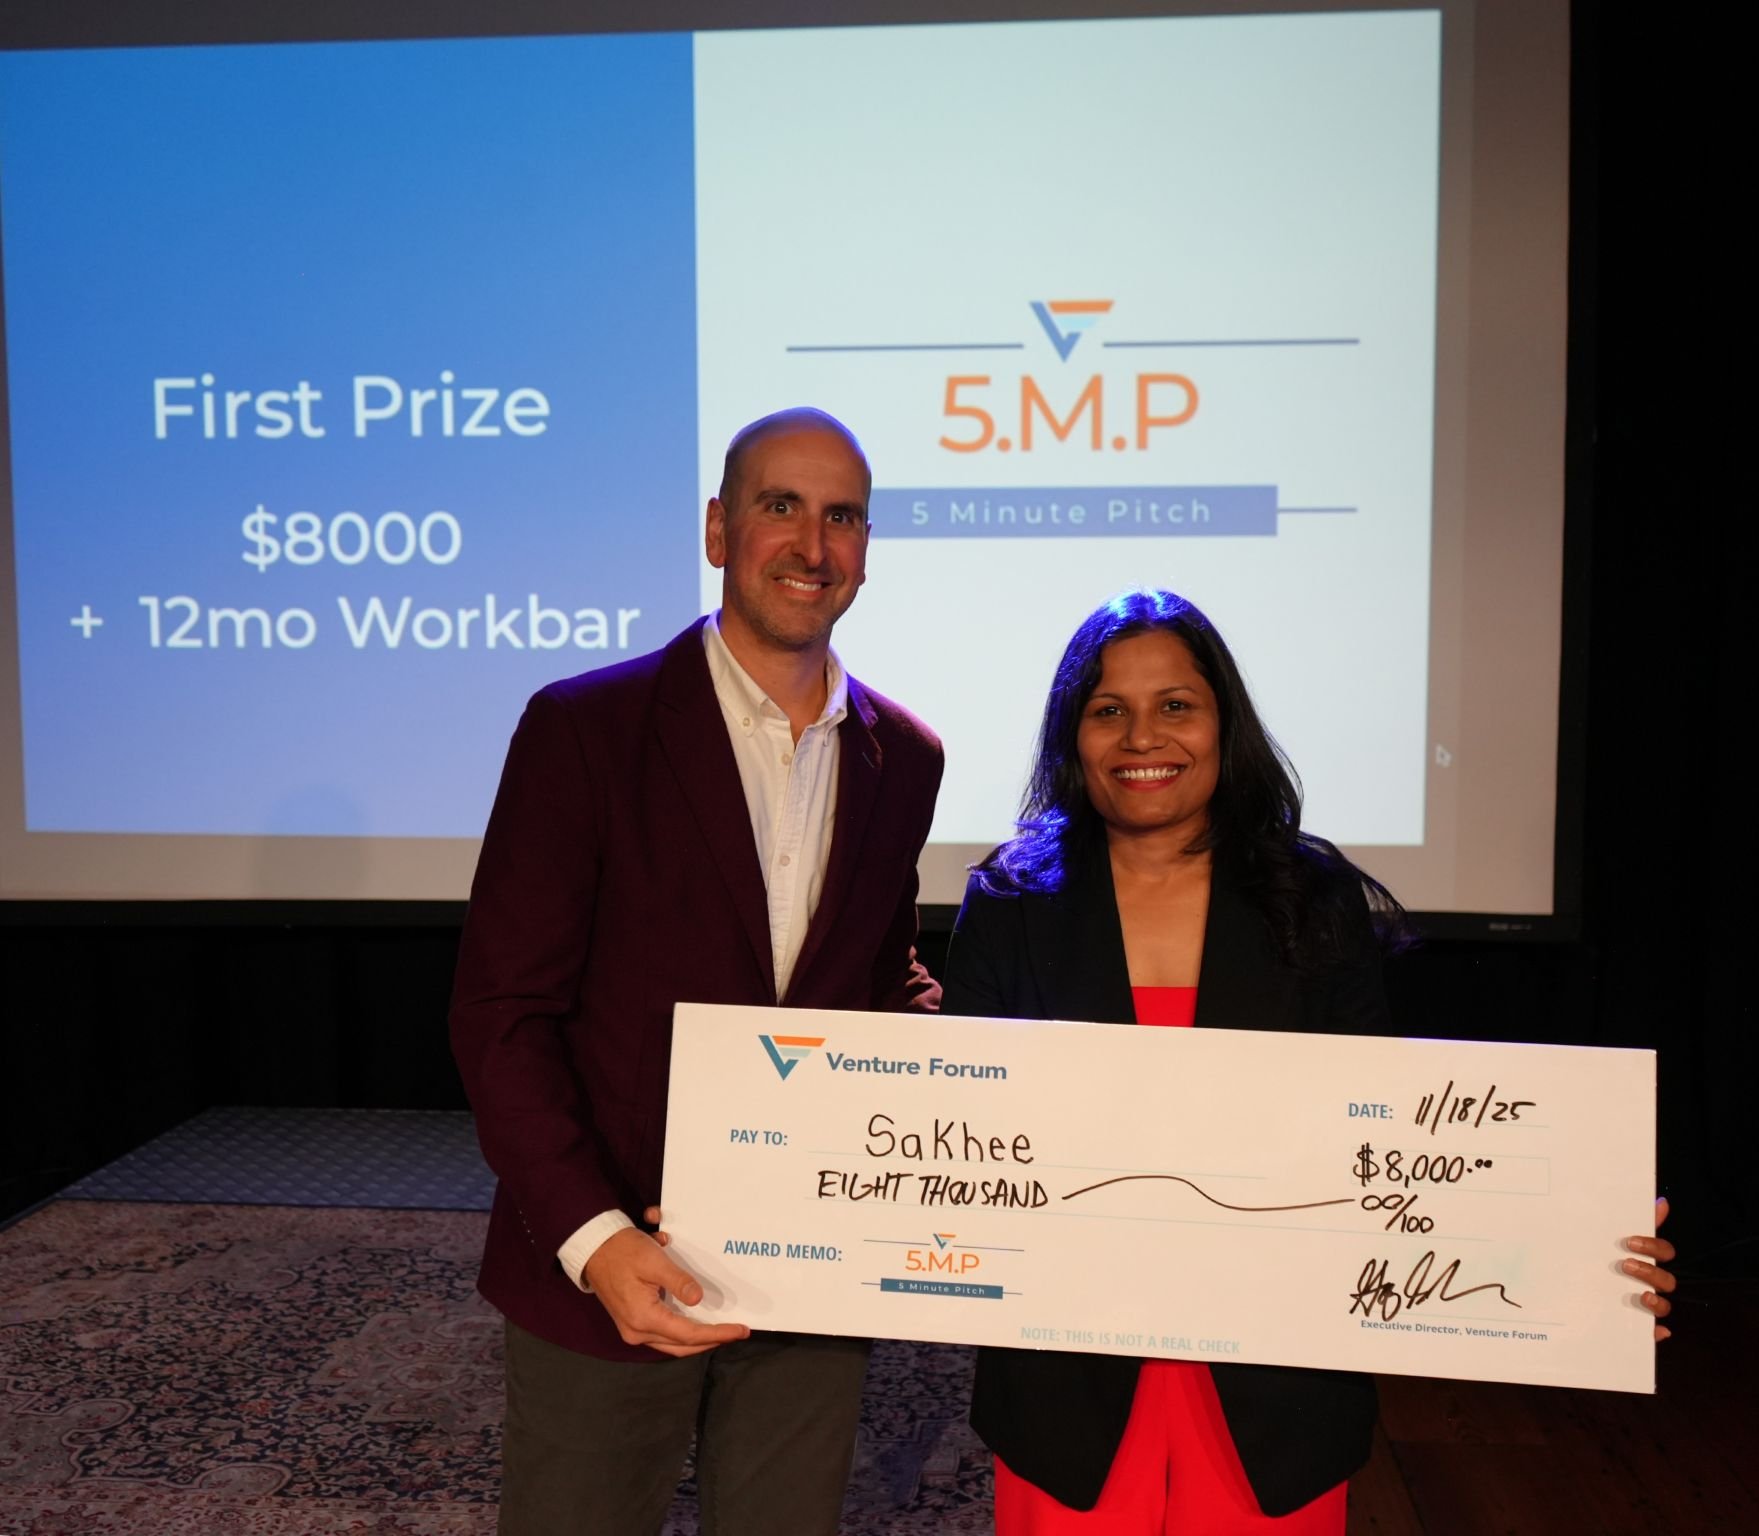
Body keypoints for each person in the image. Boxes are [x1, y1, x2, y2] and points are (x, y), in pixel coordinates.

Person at [940, 588, 1676, 1534]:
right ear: (1070, 735)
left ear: (1223, 723)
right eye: (1107, 709)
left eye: (1175, 705)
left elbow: (1394, 1146)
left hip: (1273, 1395)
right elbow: (959, 1144)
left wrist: (1582, 1257)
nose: (1141, 737)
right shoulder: (1008, 902)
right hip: (1068, 1391)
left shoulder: (1311, 895)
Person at [449, 407, 943, 1536]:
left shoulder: (904, 756)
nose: (811, 545)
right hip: (613, 1262)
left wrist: (977, 1082)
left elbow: (881, 975)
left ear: (867, 548)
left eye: (841, 517)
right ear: (719, 529)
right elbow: (501, 1013)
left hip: (812, 1267)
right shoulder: (585, 728)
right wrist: (593, 1239)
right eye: (781, 507)